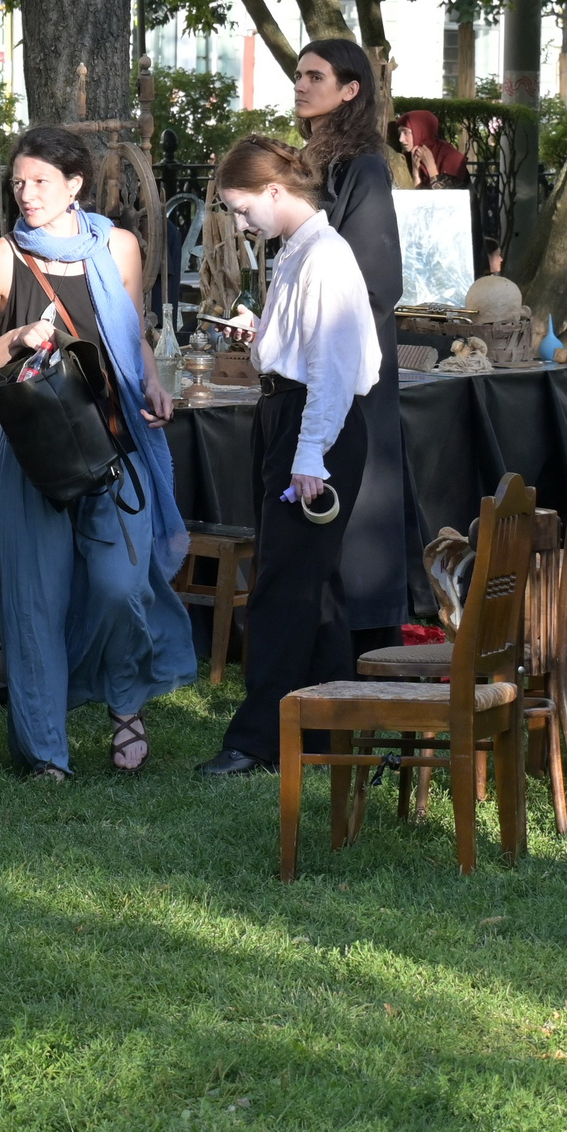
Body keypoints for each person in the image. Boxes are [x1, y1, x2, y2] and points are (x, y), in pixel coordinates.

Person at [0, 126, 193, 778]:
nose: (26, 194)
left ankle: (125, 704)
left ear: (75, 185)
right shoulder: (0, 258)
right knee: (34, 605)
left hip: (113, 446)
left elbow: (133, 334)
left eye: (40, 182)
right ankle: (45, 755)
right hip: (32, 454)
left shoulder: (119, 247)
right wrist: (17, 339)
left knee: (121, 588)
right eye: (19, 183)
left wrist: (152, 380)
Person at [198, 135, 381, 776]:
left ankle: (259, 740)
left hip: (309, 423)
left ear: (276, 191)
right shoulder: (300, 252)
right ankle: (328, 727)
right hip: (289, 414)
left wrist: (310, 455)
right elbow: (307, 349)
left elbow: (332, 370)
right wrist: (267, 333)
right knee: (311, 579)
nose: (243, 226)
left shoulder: (325, 256)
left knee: (282, 580)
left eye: (245, 210)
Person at [292, 38, 410, 644]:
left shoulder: (363, 166)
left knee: (359, 507)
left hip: (352, 366)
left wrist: (324, 343)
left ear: (350, 89)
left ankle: (366, 646)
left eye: (316, 75)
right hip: (318, 364)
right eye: (299, 74)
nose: (302, 84)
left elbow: (374, 283)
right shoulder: (314, 161)